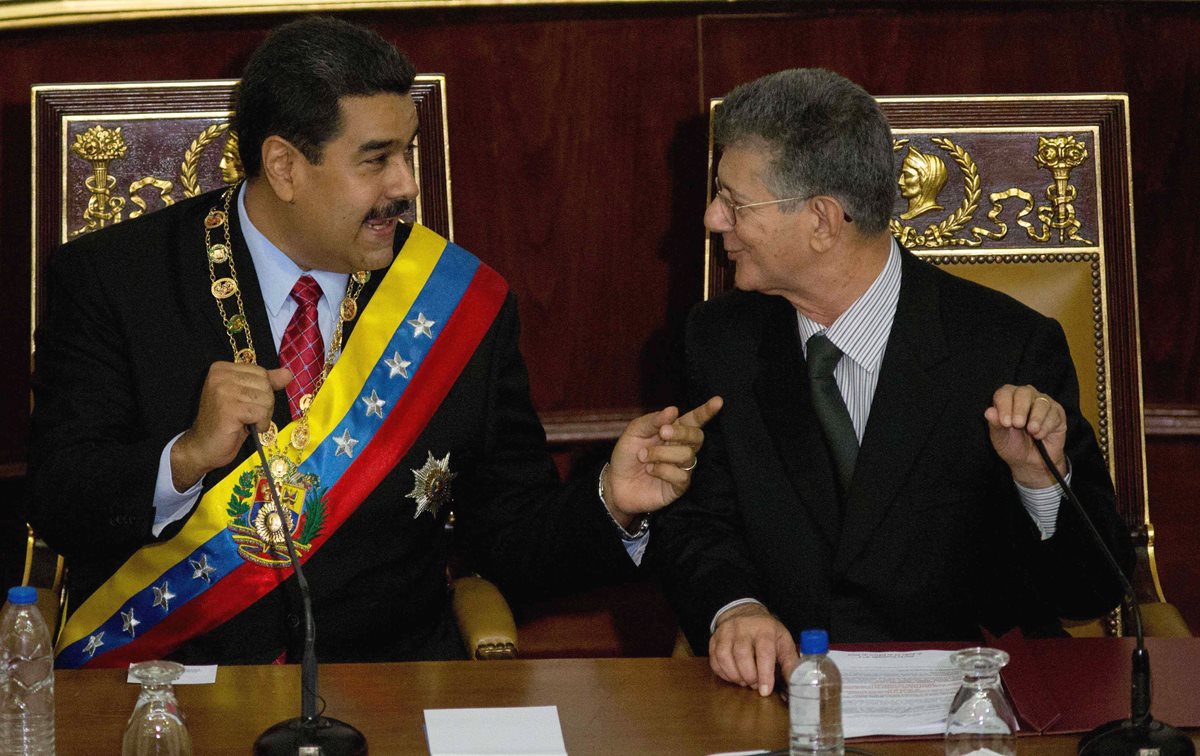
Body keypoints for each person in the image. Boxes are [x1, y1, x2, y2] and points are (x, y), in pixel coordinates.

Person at [25, 16, 720, 668]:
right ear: (286, 166)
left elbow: (510, 535)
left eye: (408, 153)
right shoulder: (114, 280)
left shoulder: (456, 302)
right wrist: (187, 457)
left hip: (389, 682)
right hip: (179, 682)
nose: (406, 185)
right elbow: (60, 502)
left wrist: (612, 500)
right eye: (376, 159)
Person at [651, 68, 1132, 696]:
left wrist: (1038, 478)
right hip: (784, 697)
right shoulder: (719, 341)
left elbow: (1088, 590)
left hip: (971, 707)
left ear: (823, 220)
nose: (714, 219)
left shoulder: (1007, 347)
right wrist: (735, 607)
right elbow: (697, 522)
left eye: (734, 202)